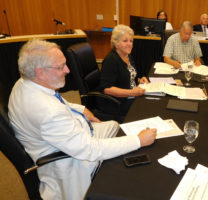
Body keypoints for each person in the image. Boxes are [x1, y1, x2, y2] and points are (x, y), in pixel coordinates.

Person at [8, 39, 157, 200]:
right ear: (40, 72)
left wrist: (82, 109)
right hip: (70, 160)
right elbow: (90, 149)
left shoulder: (25, 81)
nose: (67, 70)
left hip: (68, 136)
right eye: (60, 67)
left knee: (114, 126)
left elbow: (56, 100)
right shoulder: (47, 112)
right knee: (133, 164)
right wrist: (138, 141)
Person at [99, 25, 149, 115]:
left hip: (131, 95)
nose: (129, 44)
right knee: (147, 109)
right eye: (125, 41)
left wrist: (139, 80)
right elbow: (107, 89)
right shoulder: (111, 60)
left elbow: (127, 76)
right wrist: (132, 92)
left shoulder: (127, 55)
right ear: (116, 44)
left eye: (131, 41)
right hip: (119, 102)